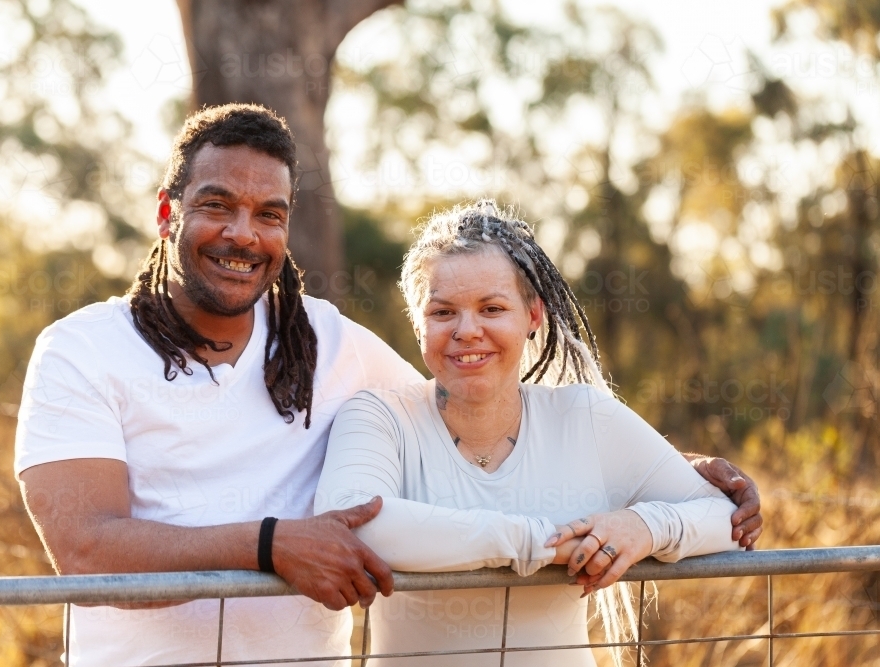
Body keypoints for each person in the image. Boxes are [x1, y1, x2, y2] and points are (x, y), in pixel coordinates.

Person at [15, 104, 762, 666]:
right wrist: (271, 545)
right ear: (166, 212)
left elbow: (468, 410)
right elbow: (88, 551)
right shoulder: (81, 350)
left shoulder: (329, 341)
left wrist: (666, 478)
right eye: (217, 205)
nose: (244, 233)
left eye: (268, 214)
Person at [315, 200, 751, 666]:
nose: (467, 330)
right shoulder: (380, 417)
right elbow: (352, 525)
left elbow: (725, 519)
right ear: (419, 323)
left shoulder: (582, 416)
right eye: (443, 313)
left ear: (533, 316)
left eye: (492, 308)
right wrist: (545, 544)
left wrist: (642, 527)